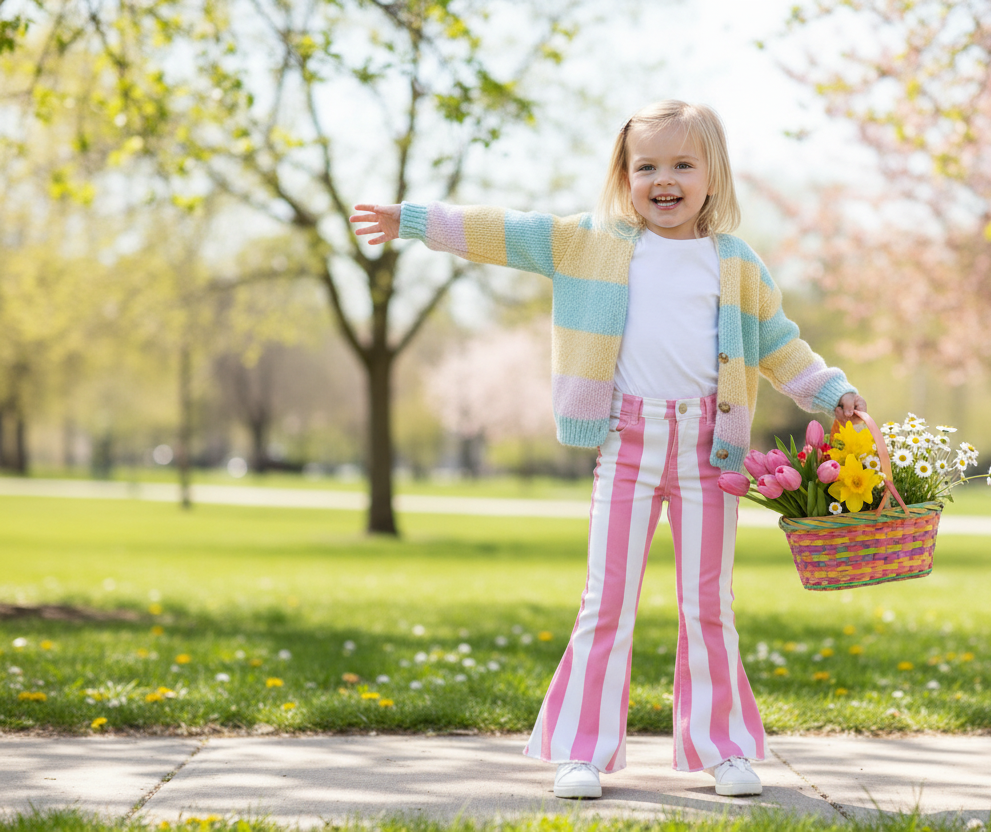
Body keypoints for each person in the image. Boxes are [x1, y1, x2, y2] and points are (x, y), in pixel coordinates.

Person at [351, 100, 867, 800]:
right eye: (646, 165)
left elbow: (778, 344)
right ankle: (581, 750)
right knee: (606, 601)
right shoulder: (588, 242)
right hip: (624, 442)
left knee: (708, 603)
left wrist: (831, 390)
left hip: (707, 453)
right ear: (623, 176)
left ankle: (723, 749)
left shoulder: (736, 264)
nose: (664, 180)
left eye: (683, 165)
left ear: (713, 176)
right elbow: (505, 231)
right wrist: (413, 219)